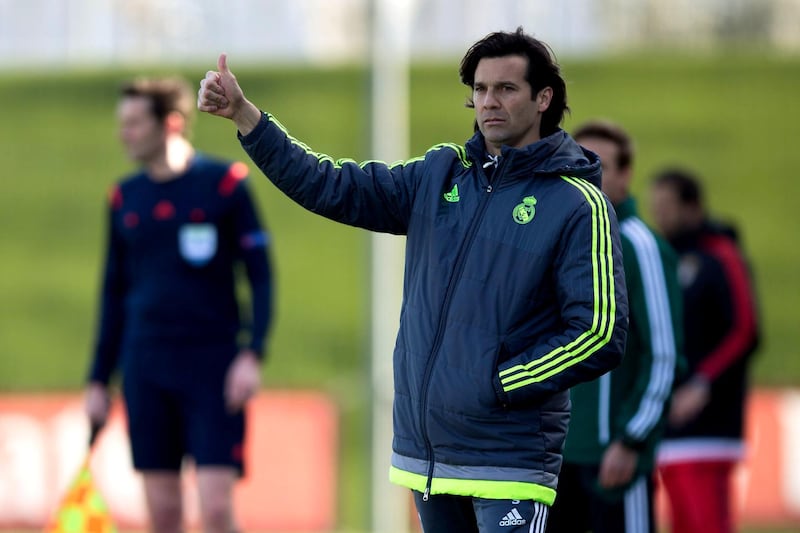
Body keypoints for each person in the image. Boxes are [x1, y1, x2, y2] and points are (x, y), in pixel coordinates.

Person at [197, 27, 628, 533]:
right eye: (481, 89)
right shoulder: (439, 174)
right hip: (428, 460)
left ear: (543, 98)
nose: (489, 101)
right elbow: (332, 185)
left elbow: (599, 332)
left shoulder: (577, 203)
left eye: (506, 89)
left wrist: (499, 383)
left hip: (509, 462)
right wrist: (247, 118)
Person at [84, 76, 274, 533]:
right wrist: (97, 380)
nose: (123, 133)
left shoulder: (224, 185)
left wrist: (252, 353)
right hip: (146, 366)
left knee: (213, 506)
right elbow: (113, 293)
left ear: (169, 123)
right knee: (164, 512)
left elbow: (261, 275)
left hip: (212, 366)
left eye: (133, 123)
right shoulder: (124, 197)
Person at [546, 120, 684, 533]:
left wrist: (631, 440)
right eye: (576, 162)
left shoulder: (641, 245)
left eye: (599, 164)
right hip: (554, 460)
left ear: (626, 174)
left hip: (613, 458)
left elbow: (664, 356)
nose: (586, 173)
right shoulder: (563, 238)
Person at [649, 168, 760, 533]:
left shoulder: (721, 255)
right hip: (671, 424)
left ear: (692, 207)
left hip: (710, 423)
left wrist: (702, 384)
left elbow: (745, 331)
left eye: (666, 206)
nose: (659, 214)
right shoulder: (664, 257)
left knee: (707, 523)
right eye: (655, 206)